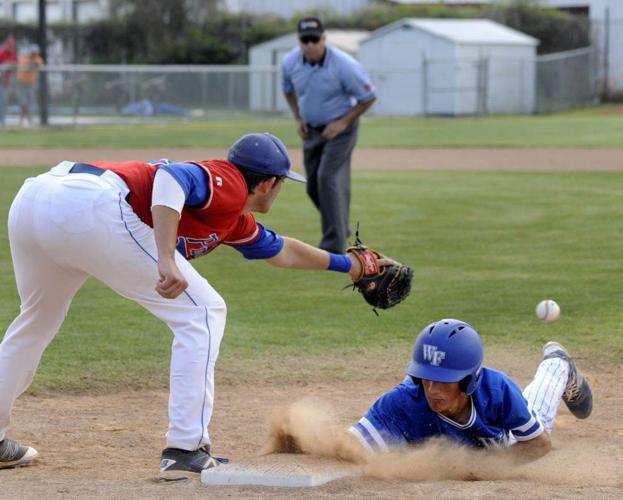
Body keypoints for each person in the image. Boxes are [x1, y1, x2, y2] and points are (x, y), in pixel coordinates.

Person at [0, 133, 379, 480]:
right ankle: (185, 448)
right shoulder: (229, 181)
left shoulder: (232, 218)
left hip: (38, 199)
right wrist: (165, 257)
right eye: (281, 183)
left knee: (35, 322)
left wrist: (353, 266)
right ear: (268, 182)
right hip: (91, 204)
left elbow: (282, 251)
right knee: (202, 313)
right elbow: (170, 179)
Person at [349, 318, 593, 461]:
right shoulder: (402, 401)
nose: (432, 389)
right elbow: (350, 444)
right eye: (426, 377)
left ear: (469, 380)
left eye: (443, 380)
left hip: (505, 442)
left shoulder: (497, 392)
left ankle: (558, 363)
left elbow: (538, 445)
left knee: (537, 411)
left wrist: (479, 467)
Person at [281, 17, 377, 254]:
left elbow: (369, 97)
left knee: (327, 178)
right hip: (311, 129)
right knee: (312, 185)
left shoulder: (345, 65)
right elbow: (288, 90)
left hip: (341, 129)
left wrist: (342, 123)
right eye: (305, 39)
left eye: (315, 39)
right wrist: (297, 117)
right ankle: (339, 226)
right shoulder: (290, 62)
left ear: (324, 39)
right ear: (299, 41)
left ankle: (332, 246)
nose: (310, 44)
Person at [16, 44, 43, 127]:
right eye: (33, 52)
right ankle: (23, 121)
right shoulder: (24, 57)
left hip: (31, 83)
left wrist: (32, 64)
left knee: (30, 103)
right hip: (21, 83)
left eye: (35, 53)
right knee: (23, 102)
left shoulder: (38, 59)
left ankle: (29, 120)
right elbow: (25, 66)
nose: (34, 54)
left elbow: (37, 65)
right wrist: (30, 64)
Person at [0, 38, 18, 126]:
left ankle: (2, 120)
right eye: (10, 45)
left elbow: (16, 66)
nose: (11, 47)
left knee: (3, 101)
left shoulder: (13, 55)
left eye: (12, 46)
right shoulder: (1, 53)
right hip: (1, 81)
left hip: (5, 82)